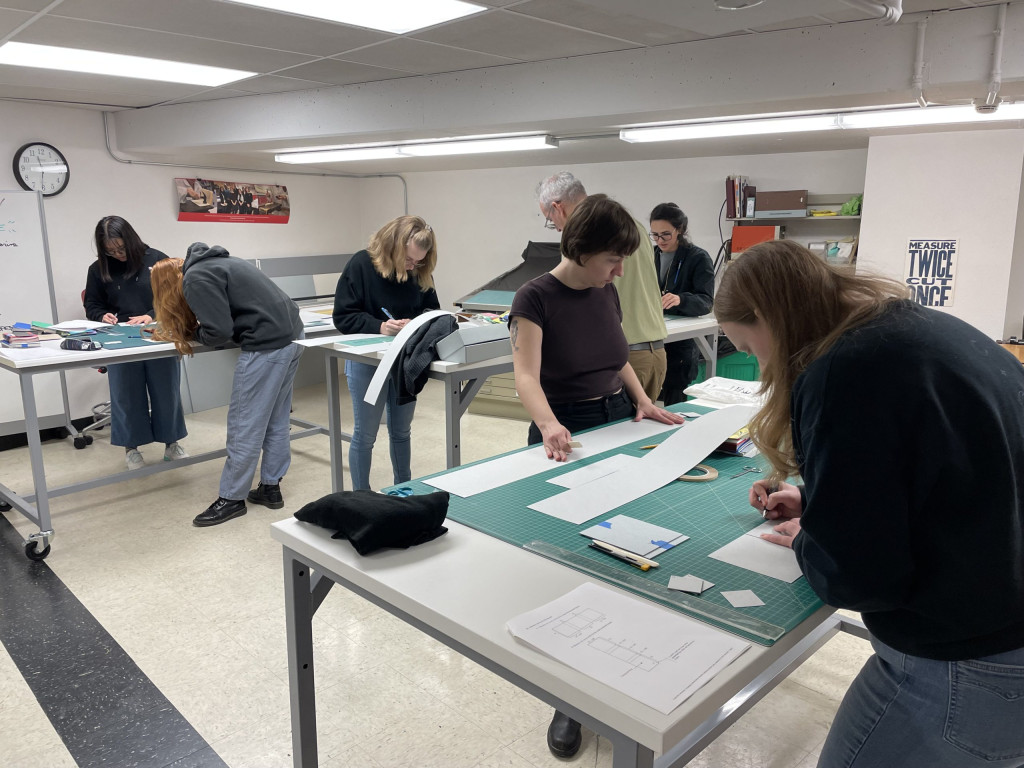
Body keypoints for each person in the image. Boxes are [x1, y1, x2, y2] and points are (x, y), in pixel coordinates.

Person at [715, 240, 1024, 768]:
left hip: (970, 661)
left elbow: (860, 577)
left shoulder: (845, 370)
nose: (759, 366)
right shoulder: (919, 329)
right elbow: (949, 469)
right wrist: (818, 499)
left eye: (749, 346)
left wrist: (816, 538)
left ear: (768, 317)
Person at [510, 194, 685, 757]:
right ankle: (569, 697)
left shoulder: (605, 290)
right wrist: (549, 424)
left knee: (624, 549)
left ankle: (623, 662)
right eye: (613, 259)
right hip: (568, 430)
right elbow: (525, 374)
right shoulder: (535, 297)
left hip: (615, 419)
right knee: (574, 561)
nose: (620, 272)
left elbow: (618, 357)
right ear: (582, 249)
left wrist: (643, 401)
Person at [149, 245, 304, 527]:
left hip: (267, 345)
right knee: (276, 418)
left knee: (245, 424)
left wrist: (191, 333)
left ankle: (232, 499)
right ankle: (270, 487)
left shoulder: (195, 278)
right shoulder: (220, 262)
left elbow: (219, 331)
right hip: (293, 336)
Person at [537, 172, 668, 403]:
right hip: (655, 352)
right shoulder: (630, 225)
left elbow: (576, 303)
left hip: (621, 359)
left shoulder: (582, 237)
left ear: (558, 208)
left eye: (549, 219)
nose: (557, 229)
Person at [332, 216, 440, 491]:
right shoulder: (361, 264)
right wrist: (380, 326)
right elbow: (343, 316)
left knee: (402, 432)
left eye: (419, 262)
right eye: (409, 260)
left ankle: (403, 491)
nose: (412, 266)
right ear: (393, 246)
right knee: (365, 434)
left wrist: (417, 324)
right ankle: (362, 498)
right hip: (368, 361)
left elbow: (433, 312)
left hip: (406, 361)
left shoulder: (419, 271)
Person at [83, 216, 188, 470]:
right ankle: (131, 449)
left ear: (131, 240)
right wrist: (102, 315)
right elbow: (92, 304)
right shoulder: (99, 269)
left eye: (121, 248)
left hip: (157, 335)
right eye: (110, 251)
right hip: (120, 339)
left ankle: (171, 443)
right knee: (125, 394)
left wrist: (151, 315)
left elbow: (173, 298)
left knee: (167, 391)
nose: (118, 254)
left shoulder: (157, 260)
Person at [649, 203, 714, 405]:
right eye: (655, 235)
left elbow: (706, 302)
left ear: (680, 230)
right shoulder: (650, 255)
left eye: (666, 235)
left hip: (680, 344)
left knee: (674, 401)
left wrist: (681, 299)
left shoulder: (697, 258)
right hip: (651, 335)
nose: (660, 240)